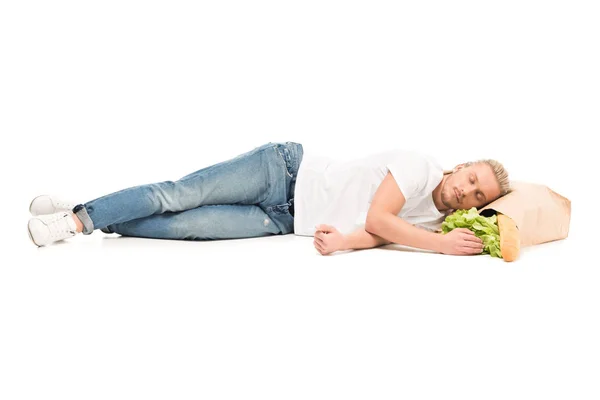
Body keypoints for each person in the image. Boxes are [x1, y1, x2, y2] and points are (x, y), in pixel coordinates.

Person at [27, 141, 511, 256]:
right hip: (281, 174)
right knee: (177, 194)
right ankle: (73, 223)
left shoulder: (429, 220)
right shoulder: (421, 167)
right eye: (470, 177)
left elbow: (377, 234)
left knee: (184, 227)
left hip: (281, 221)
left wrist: (344, 243)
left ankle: (87, 209)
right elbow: (381, 219)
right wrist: (442, 247)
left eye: (477, 194)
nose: (465, 189)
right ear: (459, 166)